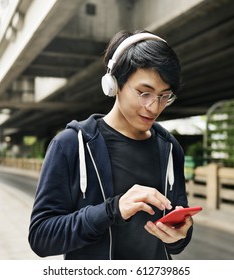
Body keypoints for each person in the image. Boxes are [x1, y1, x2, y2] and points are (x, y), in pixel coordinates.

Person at [28, 30, 193, 260]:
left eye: (164, 96)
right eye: (144, 93)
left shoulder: (170, 148)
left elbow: (177, 237)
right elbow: (41, 237)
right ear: (114, 84)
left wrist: (180, 235)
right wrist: (112, 210)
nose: (154, 107)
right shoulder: (71, 145)